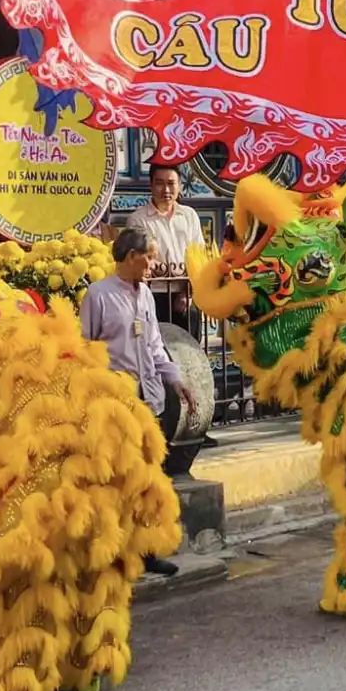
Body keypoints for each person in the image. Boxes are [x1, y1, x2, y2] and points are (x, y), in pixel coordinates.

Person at [80, 229, 196, 577]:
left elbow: (155, 345)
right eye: (149, 257)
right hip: (116, 405)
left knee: (148, 481)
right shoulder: (98, 296)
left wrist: (175, 379)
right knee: (117, 483)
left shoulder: (145, 294)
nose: (153, 264)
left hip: (151, 403)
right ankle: (114, 554)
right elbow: (85, 350)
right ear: (130, 257)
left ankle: (146, 552)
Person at [126, 164, 208, 284]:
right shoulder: (137, 219)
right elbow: (139, 259)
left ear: (179, 185)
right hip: (154, 291)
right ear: (151, 185)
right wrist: (169, 271)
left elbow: (199, 252)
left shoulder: (189, 215)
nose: (166, 190)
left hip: (189, 290)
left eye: (171, 183)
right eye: (160, 183)